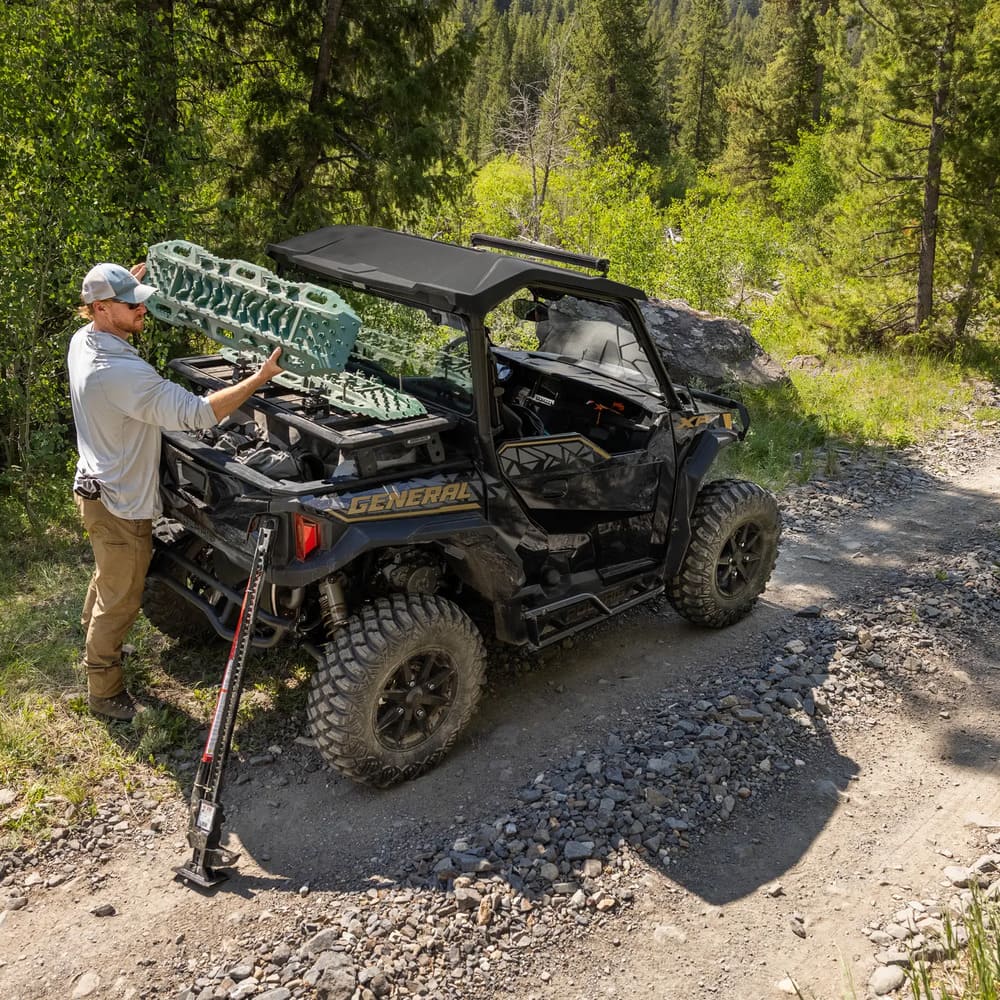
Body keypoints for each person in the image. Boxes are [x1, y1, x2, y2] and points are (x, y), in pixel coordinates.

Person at [68, 260, 283, 722]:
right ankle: (104, 692)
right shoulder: (118, 372)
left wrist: (128, 285)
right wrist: (261, 379)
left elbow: (113, 306)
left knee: (110, 576)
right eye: (133, 305)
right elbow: (199, 414)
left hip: (95, 486)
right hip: (119, 500)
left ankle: (93, 649)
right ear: (102, 309)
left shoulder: (84, 340)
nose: (143, 309)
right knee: (122, 595)